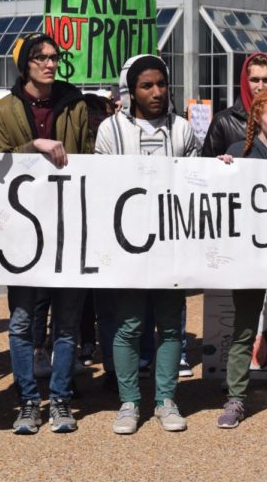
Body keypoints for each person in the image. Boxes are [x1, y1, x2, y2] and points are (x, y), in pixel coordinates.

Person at [0, 33, 94, 434]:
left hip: (68, 229)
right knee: (19, 323)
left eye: (54, 57)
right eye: (41, 58)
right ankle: (30, 401)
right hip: (22, 233)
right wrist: (33, 144)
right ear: (25, 65)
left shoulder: (76, 104)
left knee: (67, 324)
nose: (50, 64)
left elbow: (89, 161)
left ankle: (62, 400)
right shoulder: (8, 108)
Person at [94, 54, 198, 434]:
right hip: (128, 247)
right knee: (129, 325)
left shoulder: (183, 130)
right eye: (146, 85)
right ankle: (129, 401)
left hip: (171, 245)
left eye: (161, 84)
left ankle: (166, 399)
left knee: (170, 326)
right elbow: (101, 182)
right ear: (131, 91)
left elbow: (196, 183)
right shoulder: (110, 130)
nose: (156, 92)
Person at [215, 87, 267, 429]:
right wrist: (221, 169)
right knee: (244, 327)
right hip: (249, 256)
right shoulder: (239, 151)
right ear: (257, 119)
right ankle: (236, 398)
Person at [201, 52, 267, 157]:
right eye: (255, 80)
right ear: (245, 82)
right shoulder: (223, 121)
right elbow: (207, 166)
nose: (261, 86)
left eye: (266, 80)